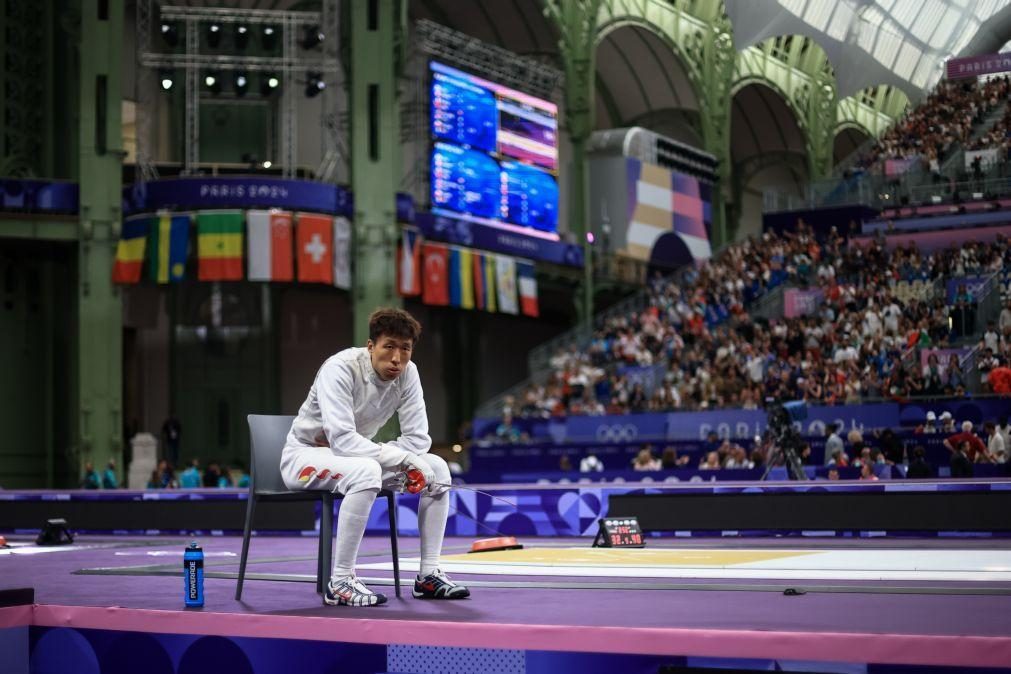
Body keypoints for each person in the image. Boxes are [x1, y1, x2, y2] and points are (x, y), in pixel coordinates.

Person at [281, 307, 468, 606]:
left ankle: (428, 575)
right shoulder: (339, 368)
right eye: (389, 347)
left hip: (356, 458)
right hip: (304, 458)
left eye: (405, 349)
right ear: (371, 346)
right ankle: (340, 581)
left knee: (438, 468)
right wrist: (403, 460)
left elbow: (418, 438)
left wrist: (410, 460)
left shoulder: (409, 373)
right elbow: (341, 440)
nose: (397, 358)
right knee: (367, 470)